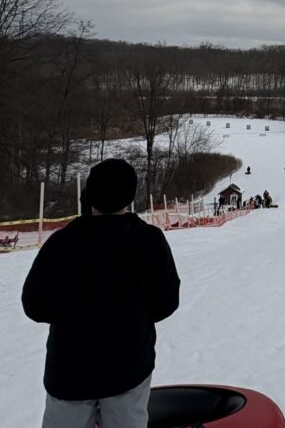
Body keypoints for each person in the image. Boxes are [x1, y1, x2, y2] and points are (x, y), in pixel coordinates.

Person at [22, 158, 180, 426]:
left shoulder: (61, 243)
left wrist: (72, 316)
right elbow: (166, 302)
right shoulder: (149, 240)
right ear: (129, 196)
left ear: (89, 194)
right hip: (129, 367)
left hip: (69, 373)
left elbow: (34, 305)